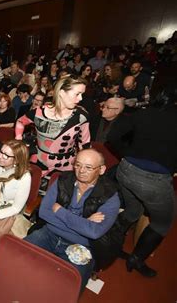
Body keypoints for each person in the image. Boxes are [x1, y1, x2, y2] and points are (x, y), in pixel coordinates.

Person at [25, 149, 120, 292]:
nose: (81, 171)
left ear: (101, 170)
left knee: (68, 288)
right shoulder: (63, 180)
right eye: (78, 165)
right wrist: (84, 222)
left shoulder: (110, 196)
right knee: (17, 257)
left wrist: (61, 212)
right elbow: (44, 212)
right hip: (48, 234)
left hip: (82, 245)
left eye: (88, 167)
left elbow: (93, 232)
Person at [108, 84, 177, 278]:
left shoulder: (142, 113)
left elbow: (113, 136)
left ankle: (111, 242)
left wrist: (127, 155)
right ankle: (136, 259)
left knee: (132, 211)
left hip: (126, 170)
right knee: (162, 223)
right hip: (154, 180)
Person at [15, 75, 91, 176]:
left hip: (66, 167)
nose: (80, 98)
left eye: (82, 94)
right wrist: (18, 139)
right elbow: (20, 121)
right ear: (61, 93)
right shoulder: (39, 113)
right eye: (77, 94)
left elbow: (85, 145)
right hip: (39, 163)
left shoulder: (81, 116)